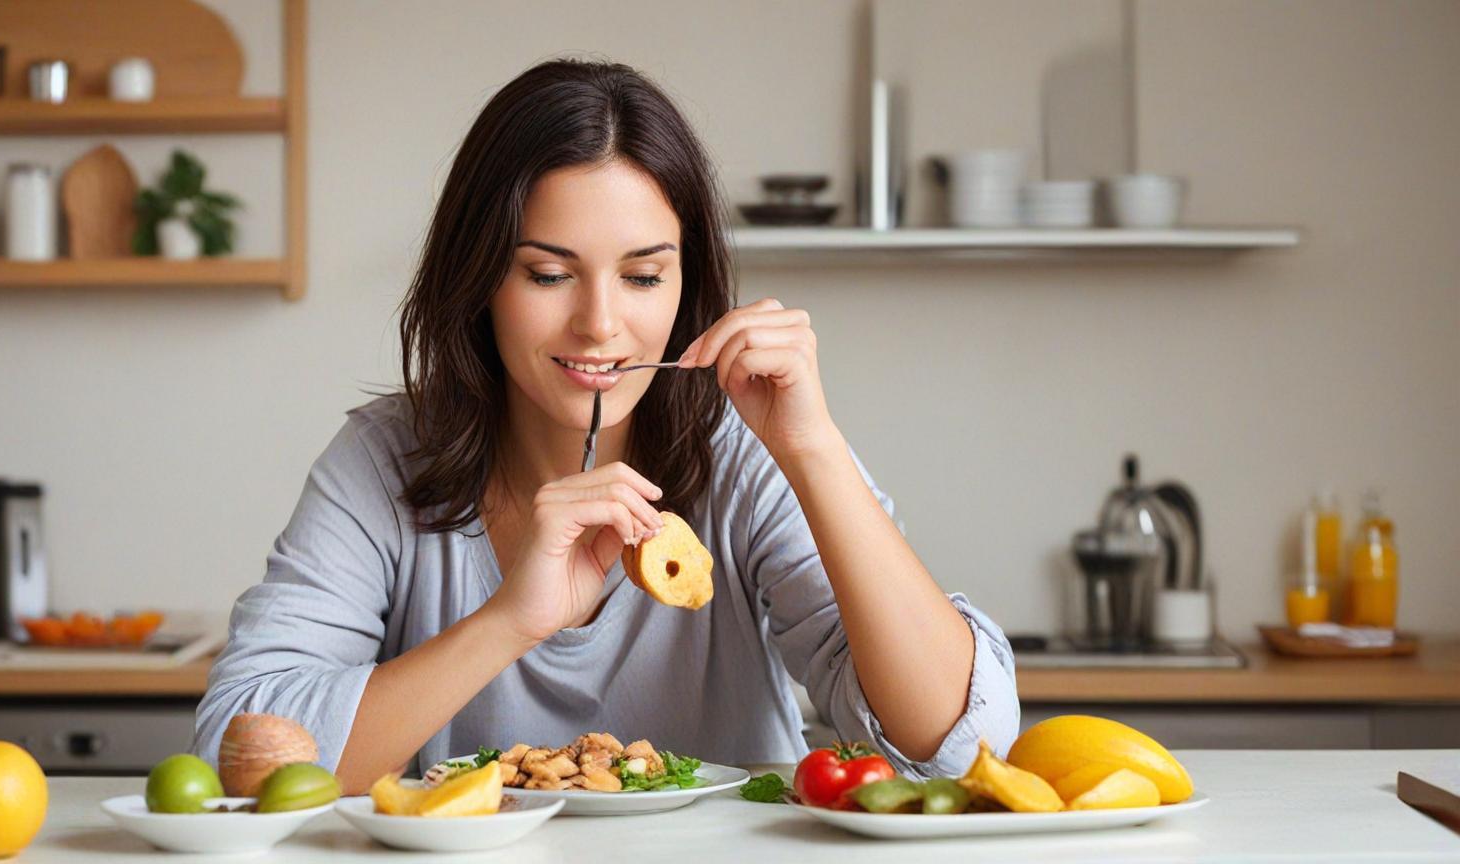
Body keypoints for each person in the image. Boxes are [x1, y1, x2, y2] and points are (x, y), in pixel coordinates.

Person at [192, 58, 1018, 795]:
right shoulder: (382, 459)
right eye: (548, 273)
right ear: (479, 278)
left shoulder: (751, 453)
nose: (599, 323)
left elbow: (961, 748)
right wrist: (511, 621)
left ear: (686, 284)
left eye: (643, 276)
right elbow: (246, 753)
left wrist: (814, 449)